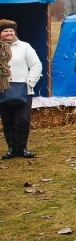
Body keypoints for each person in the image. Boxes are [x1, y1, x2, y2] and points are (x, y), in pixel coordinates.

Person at [0, 20, 42, 159]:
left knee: (23, 120)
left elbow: (36, 65)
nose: (9, 33)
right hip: (3, 89)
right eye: (5, 31)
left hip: (23, 88)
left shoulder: (24, 47)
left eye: (11, 31)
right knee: (8, 121)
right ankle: (11, 149)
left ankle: (22, 148)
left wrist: (29, 82)